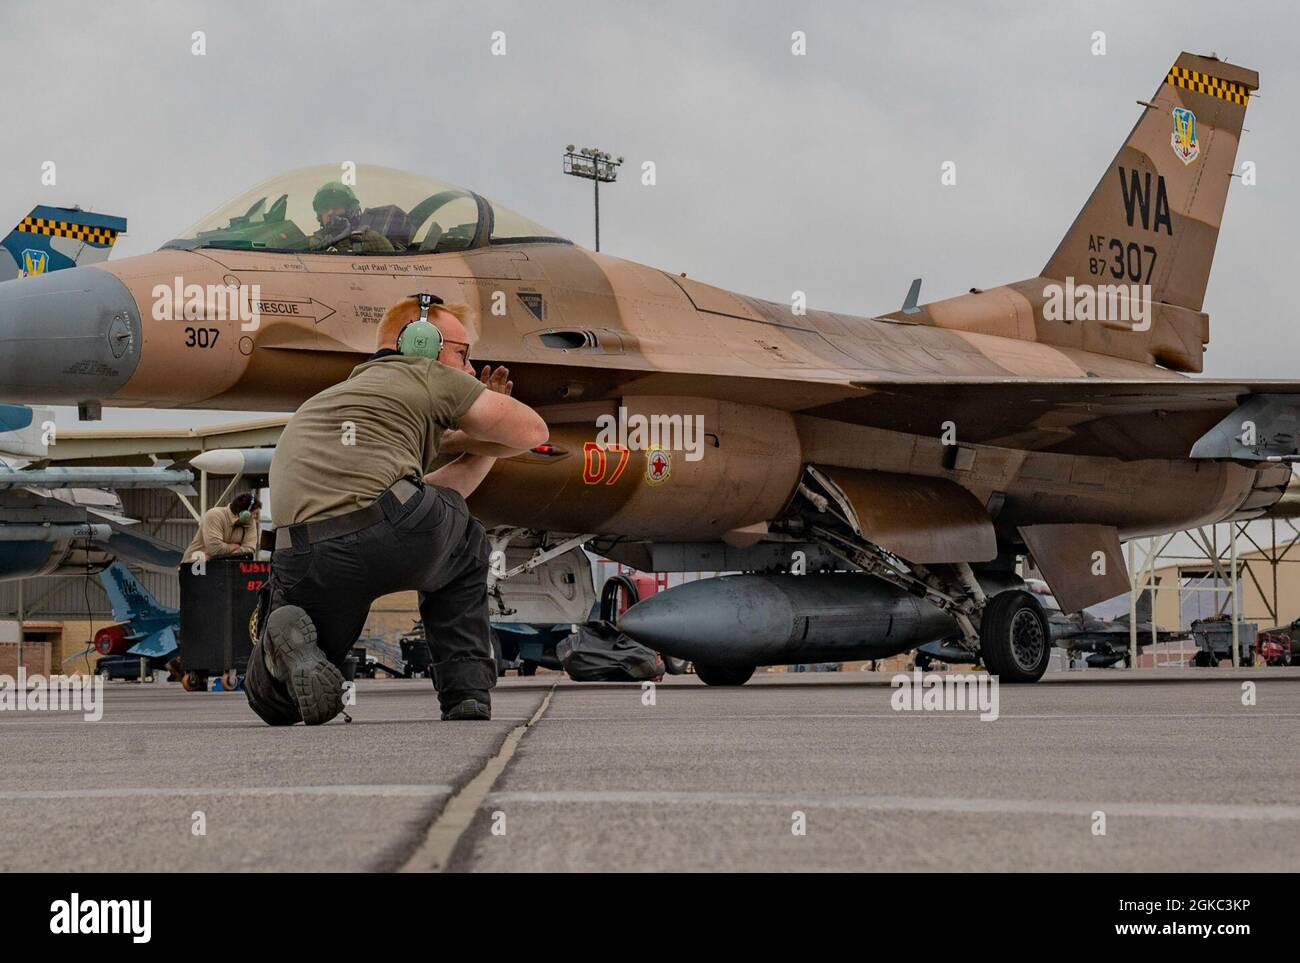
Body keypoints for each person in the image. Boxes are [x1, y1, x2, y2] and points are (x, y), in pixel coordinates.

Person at [246, 294, 548, 726]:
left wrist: (477, 446)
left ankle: (282, 662)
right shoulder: (425, 374)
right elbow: (533, 432)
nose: (467, 368)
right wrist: (482, 423)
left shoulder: (325, 400)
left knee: (278, 703)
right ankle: (466, 694)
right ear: (420, 343)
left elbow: (420, 492)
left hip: (305, 551)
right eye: (462, 354)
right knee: (465, 542)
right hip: (392, 533)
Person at [307, 181, 396, 253]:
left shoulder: (373, 239)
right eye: (325, 208)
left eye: (336, 206)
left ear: (350, 210)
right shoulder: (312, 244)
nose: (330, 212)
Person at [181, 493, 260, 564]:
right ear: (244, 514)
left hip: (222, 566)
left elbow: (249, 549)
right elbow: (216, 549)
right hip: (195, 566)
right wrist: (235, 547)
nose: (255, 517)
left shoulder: (250, 521)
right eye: (254, 513)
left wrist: (226, 553)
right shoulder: (214, 515)